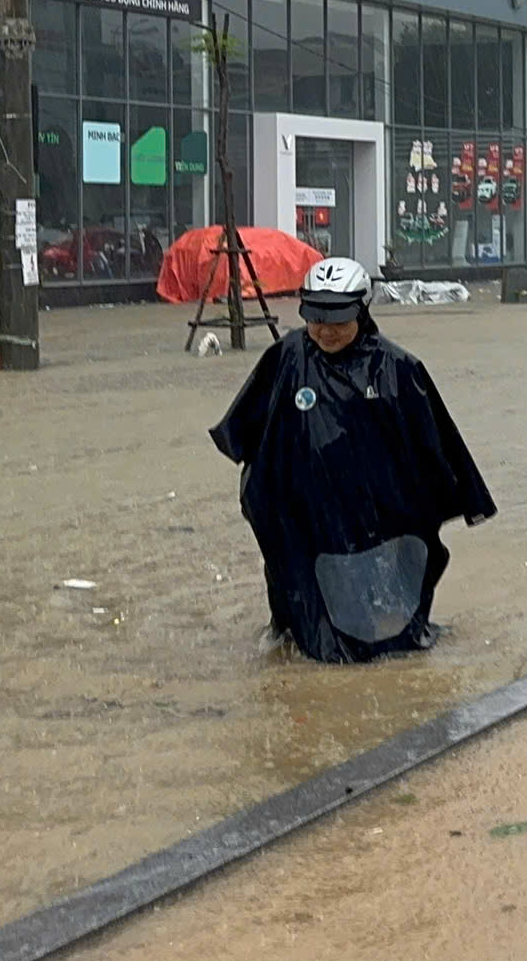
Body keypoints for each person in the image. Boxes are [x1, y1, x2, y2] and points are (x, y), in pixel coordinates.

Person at [209, 257, 496, 664]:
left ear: (361, 310)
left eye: (338, 319)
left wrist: (445, 496)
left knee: (381, 623)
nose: (326, 330)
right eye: (316, 318)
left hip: (374, 511)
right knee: (307, 617)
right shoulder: (289, 356)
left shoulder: (396, 367)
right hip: (305, 512)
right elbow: (251, 426)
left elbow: (433, 444)